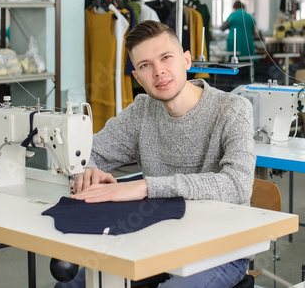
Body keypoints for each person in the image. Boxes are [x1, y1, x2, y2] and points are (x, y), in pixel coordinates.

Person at [58, 21, 256, 288]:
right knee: (74, 284)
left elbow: (237, 185)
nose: (158, 71)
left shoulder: (232, 109)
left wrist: (146, 187)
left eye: (166, 58)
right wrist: (87, 169)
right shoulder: (142, 111)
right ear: (137, 78)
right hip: (155, 239)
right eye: (145, 65)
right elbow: (87, 153)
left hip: (220, 247)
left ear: (186, 60)